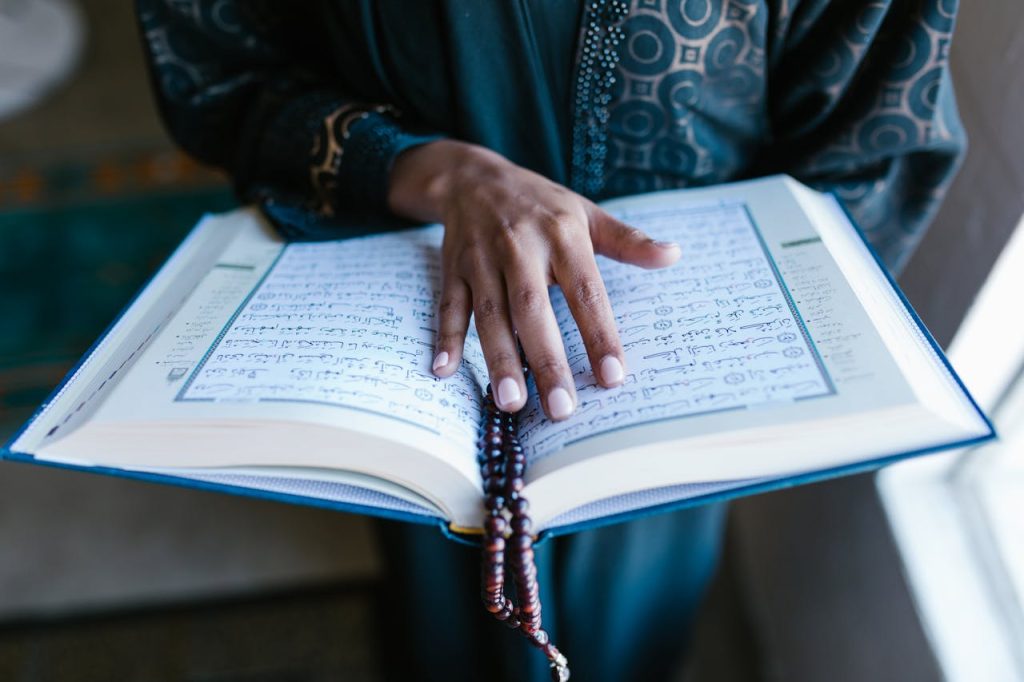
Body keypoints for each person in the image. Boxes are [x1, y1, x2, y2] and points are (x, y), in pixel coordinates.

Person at [137, 1, 965, 680]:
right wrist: (429, 169)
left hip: (671, 369)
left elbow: (876, 144)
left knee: (634, 609)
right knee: (442, 590)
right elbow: (221, 70)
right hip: (413, 322)